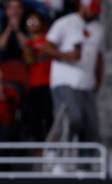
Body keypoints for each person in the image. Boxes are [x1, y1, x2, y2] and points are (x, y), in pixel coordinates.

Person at [44, 0, 104, 142]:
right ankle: (55, 154)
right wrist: (66, 55)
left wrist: (99, 79)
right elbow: (46, 47)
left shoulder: (99, 28)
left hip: (86, 83)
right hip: (65, 79)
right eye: (91, 8)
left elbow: (99, 57)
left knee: (91, 128)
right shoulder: (65, 22)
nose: (94, 12)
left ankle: (85, 163)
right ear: (82, 5)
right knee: (71, 118)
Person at [21, 11, 52, 140]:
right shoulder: (27, 44)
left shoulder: (49, 39)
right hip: (34, 84)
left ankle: (51, 145)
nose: (33, 24)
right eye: (30, 21)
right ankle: (38, 146)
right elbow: (28, 61)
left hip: (49, 83)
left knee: (49, 115)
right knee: (35, 118)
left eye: (35, 21)